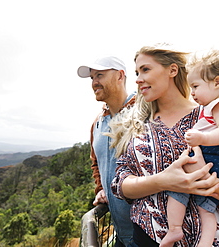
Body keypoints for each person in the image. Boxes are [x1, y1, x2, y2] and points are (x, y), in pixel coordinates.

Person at [109, 44, 219, 246]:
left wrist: (206, 184)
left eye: (145, 69)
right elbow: (120, 183)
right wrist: (163, 181)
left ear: (173, 70)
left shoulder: (211, 116)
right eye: (137, 72)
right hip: (148, 238)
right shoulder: (135, 125)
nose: (138, 79)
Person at [162, 50, 219, 247]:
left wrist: (202, 138)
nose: (193, 92)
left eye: (196, 86)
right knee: (206, 208)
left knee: (178, 178)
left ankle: (174, 228)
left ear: (217, 83)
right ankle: (202, 242)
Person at [77, 56, 135, 246]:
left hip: (151, 235)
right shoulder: (97, 124)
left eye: (100, 75)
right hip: (122, 235)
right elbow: (96, 161)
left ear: (120, 76)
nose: (94, 82)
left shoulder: (144, 113)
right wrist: (101, 188)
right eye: (92, 77)